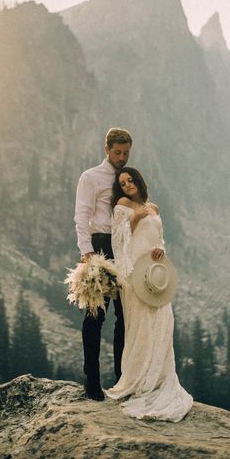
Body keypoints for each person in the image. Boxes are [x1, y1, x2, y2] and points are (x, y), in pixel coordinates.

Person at [105, 166, 193, 421]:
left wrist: (160, 251)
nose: (128, 185)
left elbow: (159, 240)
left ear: (138, 181)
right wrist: (133, 219)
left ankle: (159, 380)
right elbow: (117, 240)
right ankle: (139, 381)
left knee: (164, 321)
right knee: (141, 326)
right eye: (123, 183)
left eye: (131, 180)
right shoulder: (122, 204)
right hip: (134, 273)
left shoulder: (153, 207)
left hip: (153, 272)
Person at [74, 127, 132, 400]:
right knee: (96, 314)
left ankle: (122, 379)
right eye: (117, 152)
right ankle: (92, 381)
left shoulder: (127, 179)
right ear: (106, 149)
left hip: (124, 248)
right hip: (100, 246)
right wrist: (87, 252)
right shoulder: (91, 177)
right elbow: (82, 214)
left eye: (125, 153)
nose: (121, 157)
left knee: (125, 315)